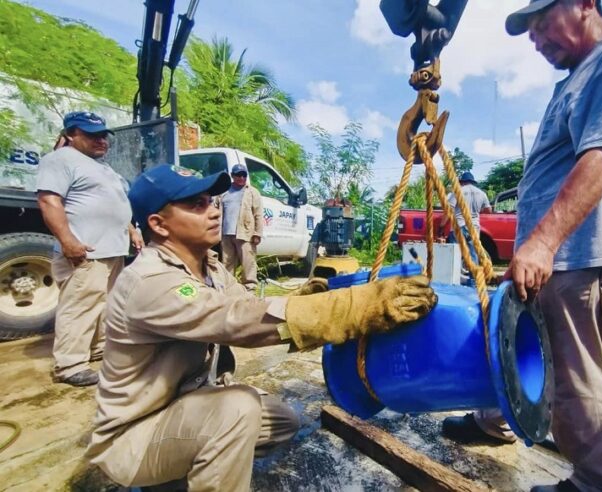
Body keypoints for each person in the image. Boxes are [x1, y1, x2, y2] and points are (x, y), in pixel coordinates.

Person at [86, 164, 437, 491]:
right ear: (159, 225)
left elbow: (247, 305)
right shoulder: (150, 281)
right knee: (237, 410)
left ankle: (189, 464)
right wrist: (354, 307)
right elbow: (240, 322)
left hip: (184, 405)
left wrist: (309, 297)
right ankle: (178, 471)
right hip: (137, 436)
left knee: (282, 420)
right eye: (195, 204)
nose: (213, 210)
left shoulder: (208, 268)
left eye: (211, 200)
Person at [442, 1, 602, 491]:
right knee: (518, 346)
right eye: (531, 33)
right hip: (554, 252)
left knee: (570, 374)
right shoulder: (582, 74)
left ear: (586, 4)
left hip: (577, 252)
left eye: (542, 25)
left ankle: (600, 482)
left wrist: (543, 243)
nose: (536, 41)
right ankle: (496, 420)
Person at [36, 111, 143, 387]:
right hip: (86, 249)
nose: (101, 141)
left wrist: (131, 229)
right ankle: (70, 364)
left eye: (103, 135)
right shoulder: (60, 160)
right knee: (81, 305)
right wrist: (67, 240)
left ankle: (97, 350)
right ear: (71, 134)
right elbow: (50, 201)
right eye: (92, 135)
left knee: (106, 304)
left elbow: (117, 203)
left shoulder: (103, 167)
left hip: (112, 249)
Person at [220, 163, 263, 291]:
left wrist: (257, 233)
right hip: (226, 234)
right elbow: (216, 210)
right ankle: (229, 288)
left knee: (248, 263)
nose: (242, 178)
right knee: (227, 263)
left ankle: (250, 287)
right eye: (239, 175)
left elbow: (258, 214)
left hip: (245, 233)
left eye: (244, 175)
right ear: (232, 176)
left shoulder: (252, 192)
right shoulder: (224, 192)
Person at [438, 171, 491, 266]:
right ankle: (473, 279)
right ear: (472, 181)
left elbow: (449, 210)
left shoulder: (458, 192)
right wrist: (477, 211)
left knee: (455, 255)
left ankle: (454, 278)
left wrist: (441, 226)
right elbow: (488, 210)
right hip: (474, 228)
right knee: (473, 254)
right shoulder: (482, 193)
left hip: (459, 226)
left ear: (462, 181)